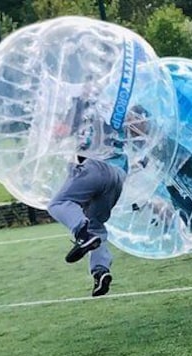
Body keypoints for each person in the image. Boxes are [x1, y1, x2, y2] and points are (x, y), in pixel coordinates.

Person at [46, 90, 141, 297]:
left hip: (97, 167)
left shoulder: (84, 107)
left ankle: (82, 234)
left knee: (58, 204)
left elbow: (62, 131)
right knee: (96, 224)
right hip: (118, 177)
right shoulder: (115, 107)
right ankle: (101, 272)